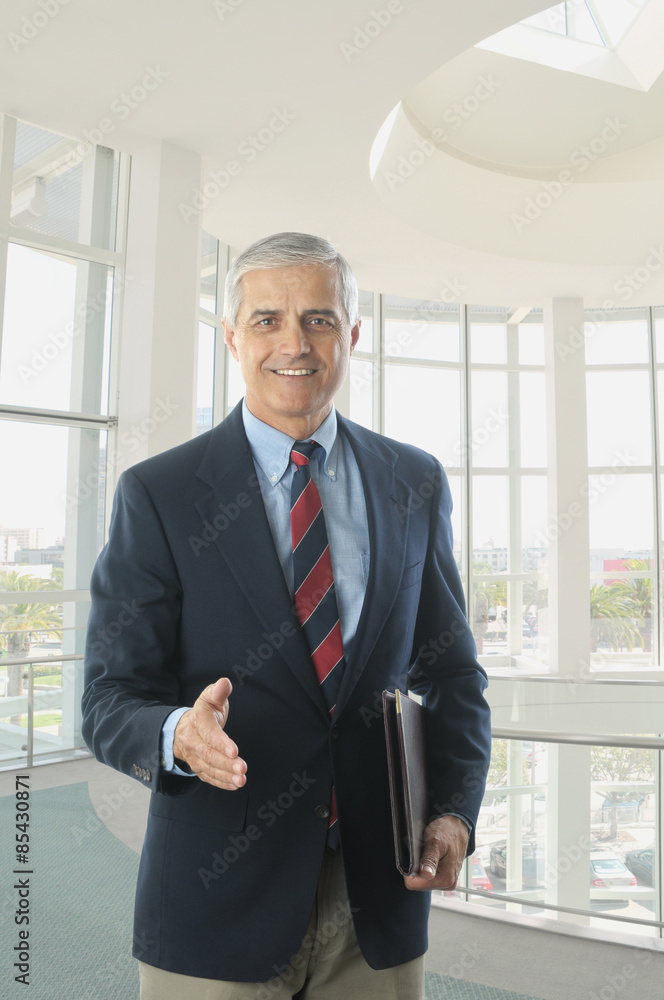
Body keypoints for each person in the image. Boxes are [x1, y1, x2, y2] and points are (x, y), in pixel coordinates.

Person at [81, 231, 491, 1000]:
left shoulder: (414, 481)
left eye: (320, 319)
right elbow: (108, 698)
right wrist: (179, 736)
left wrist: (454, 813)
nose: (294, 343)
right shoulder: (159, 495)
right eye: (267, 320)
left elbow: (453, 672)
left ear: (353, 334)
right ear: (233, 336)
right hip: (215, 903)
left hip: (378, 905)